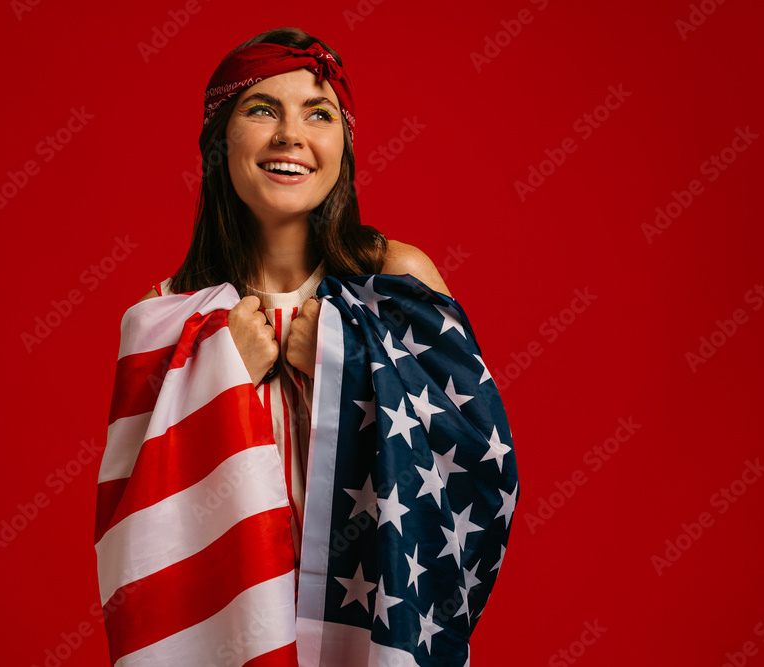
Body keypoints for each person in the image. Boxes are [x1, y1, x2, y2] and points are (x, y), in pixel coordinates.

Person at [95, 26, 517, 667]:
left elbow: (480, 461)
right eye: (262, 109)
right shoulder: (164, 316)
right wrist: (217, 366)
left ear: (342, 145)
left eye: (317, 113)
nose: (290, 134)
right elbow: (133, 533)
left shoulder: (397, 283)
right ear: (219, 139)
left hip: (367, 629)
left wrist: (343, 355)